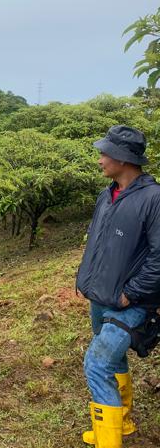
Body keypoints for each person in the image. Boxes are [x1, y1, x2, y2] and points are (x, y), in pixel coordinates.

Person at [77, 125, 160, 448]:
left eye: (104, 153)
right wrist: (86, 279)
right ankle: (121, 422)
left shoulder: (153, 199)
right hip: (100, 296)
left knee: (97, 364)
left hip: (129, 302)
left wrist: (131, 293)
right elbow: (98, 243)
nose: (100, 159)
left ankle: (108, 441)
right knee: (113, 360)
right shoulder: (107, 195)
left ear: (123, 158)